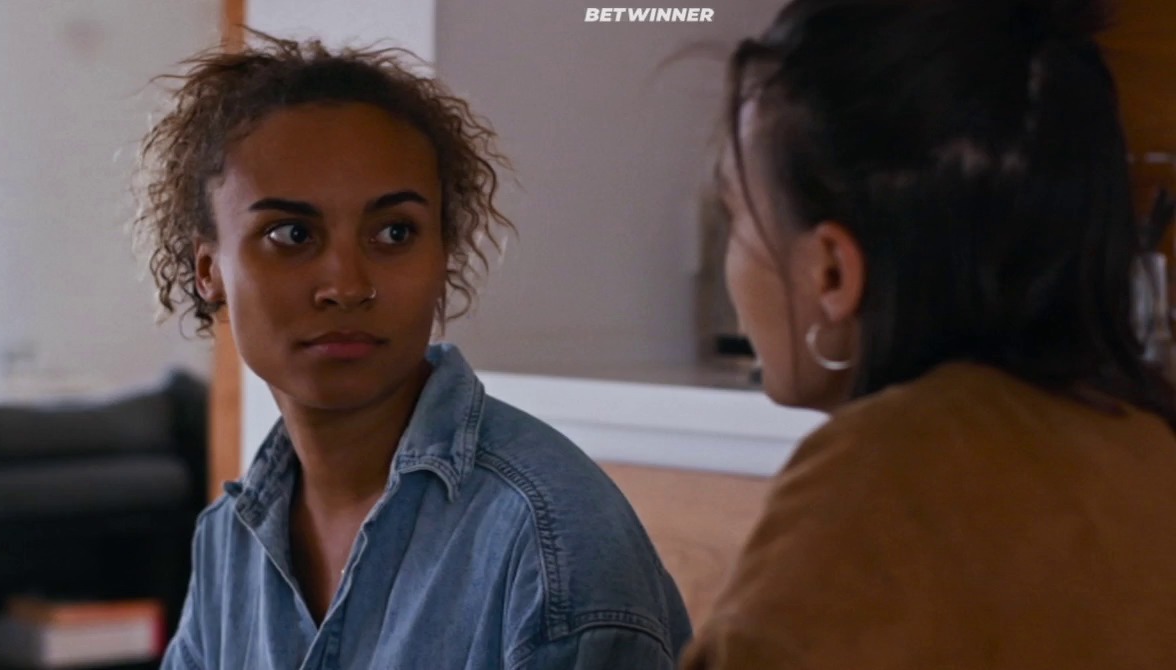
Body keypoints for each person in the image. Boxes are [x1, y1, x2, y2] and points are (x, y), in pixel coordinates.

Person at [133, 34, 691, 669]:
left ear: (443, 254)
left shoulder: (547, 542)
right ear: (209, 270)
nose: (347, 285)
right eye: (291, 234)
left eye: (394, 232)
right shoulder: (230, 540)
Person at [682, 0, 1176, 667]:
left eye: (737, 216)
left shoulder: (881, 480)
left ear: (832, 272)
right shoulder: (1148, 448)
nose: (732, 261)